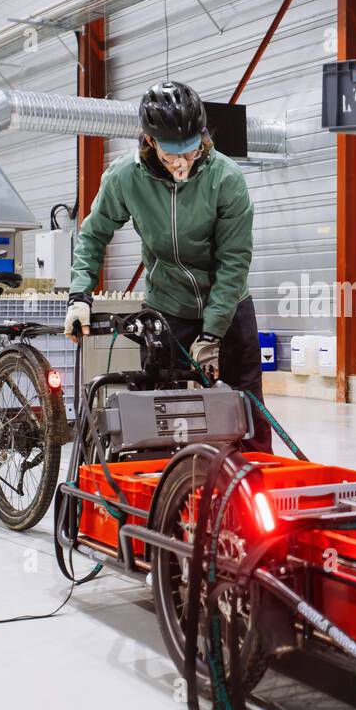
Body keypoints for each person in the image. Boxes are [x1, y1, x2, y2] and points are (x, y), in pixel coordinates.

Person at [65, 80, 272, 453]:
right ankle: (169, 493)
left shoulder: (226, 179)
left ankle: (256, 485)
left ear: (203, 137)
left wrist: (212, 334)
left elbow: (233, 261)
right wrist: (79, 295)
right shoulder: (125, 177)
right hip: (168, 309)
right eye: (171, 153)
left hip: (228, 308)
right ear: (149, 141)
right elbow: (93, 234)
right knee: (162, 415)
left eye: (190, 152)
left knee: (247, 414)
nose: (182, 163)